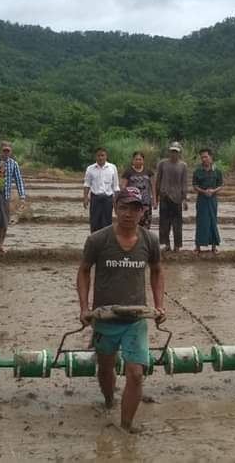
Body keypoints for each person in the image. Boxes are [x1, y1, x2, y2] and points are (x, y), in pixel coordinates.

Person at [77, 187, 165, 434]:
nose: (128, 213)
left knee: (135, 373)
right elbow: (83, 271)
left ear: (142, 211)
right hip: (105, 318)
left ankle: (126, 426)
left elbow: (157, 271)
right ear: (115, 208)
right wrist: (84, 308)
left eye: (134, 208)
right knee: (105, 369)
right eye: (123, 207)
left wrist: (159, 305)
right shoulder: (98, 240)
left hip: (135, 319)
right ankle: (108, 400)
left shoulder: (150, 241)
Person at [0, 140, 27, 254]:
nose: (6, 153)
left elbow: (19, 180)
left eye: (8, 151)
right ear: (1, 150)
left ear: (11, 151)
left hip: (5, 195)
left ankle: (1, 245)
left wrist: (22, 197)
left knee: (4, 221)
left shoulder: (13, 164)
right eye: (4, 150)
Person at [154, 141, 188, 252]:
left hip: (177, 198)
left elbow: (184, 183)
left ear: (179, 153)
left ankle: (177, 246)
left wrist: (184, 199)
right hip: (164, 196)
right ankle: (166, 244)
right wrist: (156, 198)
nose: (174, 154)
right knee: (164, 222)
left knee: (177, 223)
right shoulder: (162, 164)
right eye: (172, 151)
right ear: (169, 152)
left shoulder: (183, 165)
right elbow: (158, 181)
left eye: (176, 152)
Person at [193, 148, 223, 253]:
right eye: (202, 157)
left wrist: (213, 191)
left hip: (213, 199)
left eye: (206, 157)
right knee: (201, 221)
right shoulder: (197, 171)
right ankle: (198, 247)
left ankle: (214, 247)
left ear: (211, 157)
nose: (204, 159)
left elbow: (220, 185)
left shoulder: (217, 171)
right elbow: (195, 186)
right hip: (202, 199)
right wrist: (203, 191)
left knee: (212, 221)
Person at [83, 147, 120, 233]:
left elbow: (116, 186)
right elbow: (87, 184)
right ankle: (95, 239)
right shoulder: (90, 168)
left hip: (108, 199)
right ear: (95, 156)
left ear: (106, 156)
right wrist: (85, 198)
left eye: (102, 155)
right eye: (98, 155)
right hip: (95, 199)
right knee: (94, 222)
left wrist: (116, 202)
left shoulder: (112, 168)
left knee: (107, 222)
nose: (100, 158)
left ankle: (106, 240)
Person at [121, 151, 156, 229]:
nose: (138, 161)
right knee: (134, 224)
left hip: (146, 202)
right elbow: (123, 187)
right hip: (133, 203)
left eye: (140, 159)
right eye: (136, 159)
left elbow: (153, 187)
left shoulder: (148, 171)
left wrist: (154, 200)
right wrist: (124, 200)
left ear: (143, 160)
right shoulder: (128, 172)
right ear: (133, 160)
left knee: (146, 225)